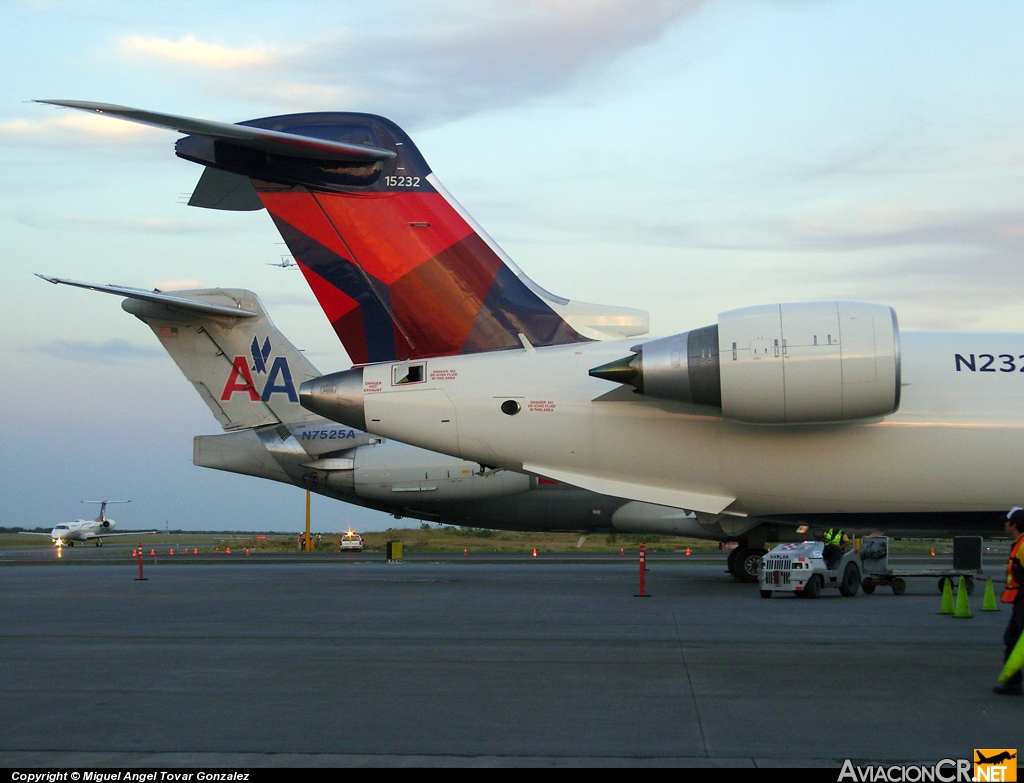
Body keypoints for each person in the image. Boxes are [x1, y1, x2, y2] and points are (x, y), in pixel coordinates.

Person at [994, 507, 1024, 696]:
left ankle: (1012, 683)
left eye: (1007, 521)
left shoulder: (1023, 546)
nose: (1004, 524)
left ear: (1014, 526)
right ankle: (1012, 683)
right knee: (1012, 639)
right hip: (1019, 601)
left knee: (1015, 640)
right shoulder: (1018, 543)